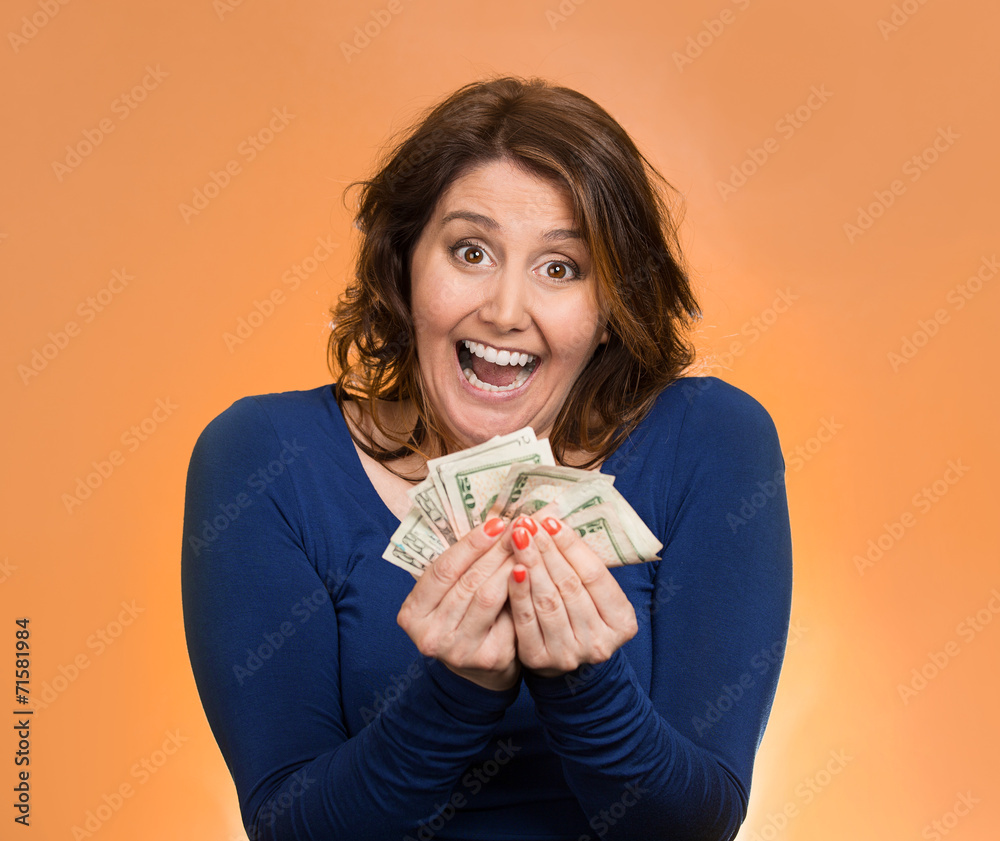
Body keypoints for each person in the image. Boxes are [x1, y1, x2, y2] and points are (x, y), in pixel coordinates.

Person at [181, 76, 792, 841]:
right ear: (404, 262)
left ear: (610, 309)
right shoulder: (264, 459)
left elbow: (698, 824)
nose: (505, 310)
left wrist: (584, 684)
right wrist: (456, 691)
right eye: (471, 251)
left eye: (561, 267)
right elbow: (289, 826)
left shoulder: (714, 441)